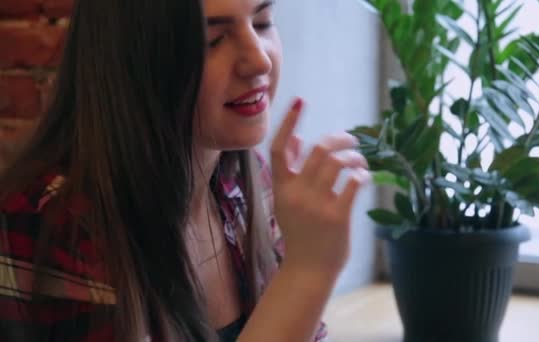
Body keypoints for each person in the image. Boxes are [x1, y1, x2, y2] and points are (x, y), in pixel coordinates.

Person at [0, 0, 371, 341]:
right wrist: (308, 271)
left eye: (262, 23)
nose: (259, 61)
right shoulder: (54, 221)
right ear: (133, 59)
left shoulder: (247, 181)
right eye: (212, 40)